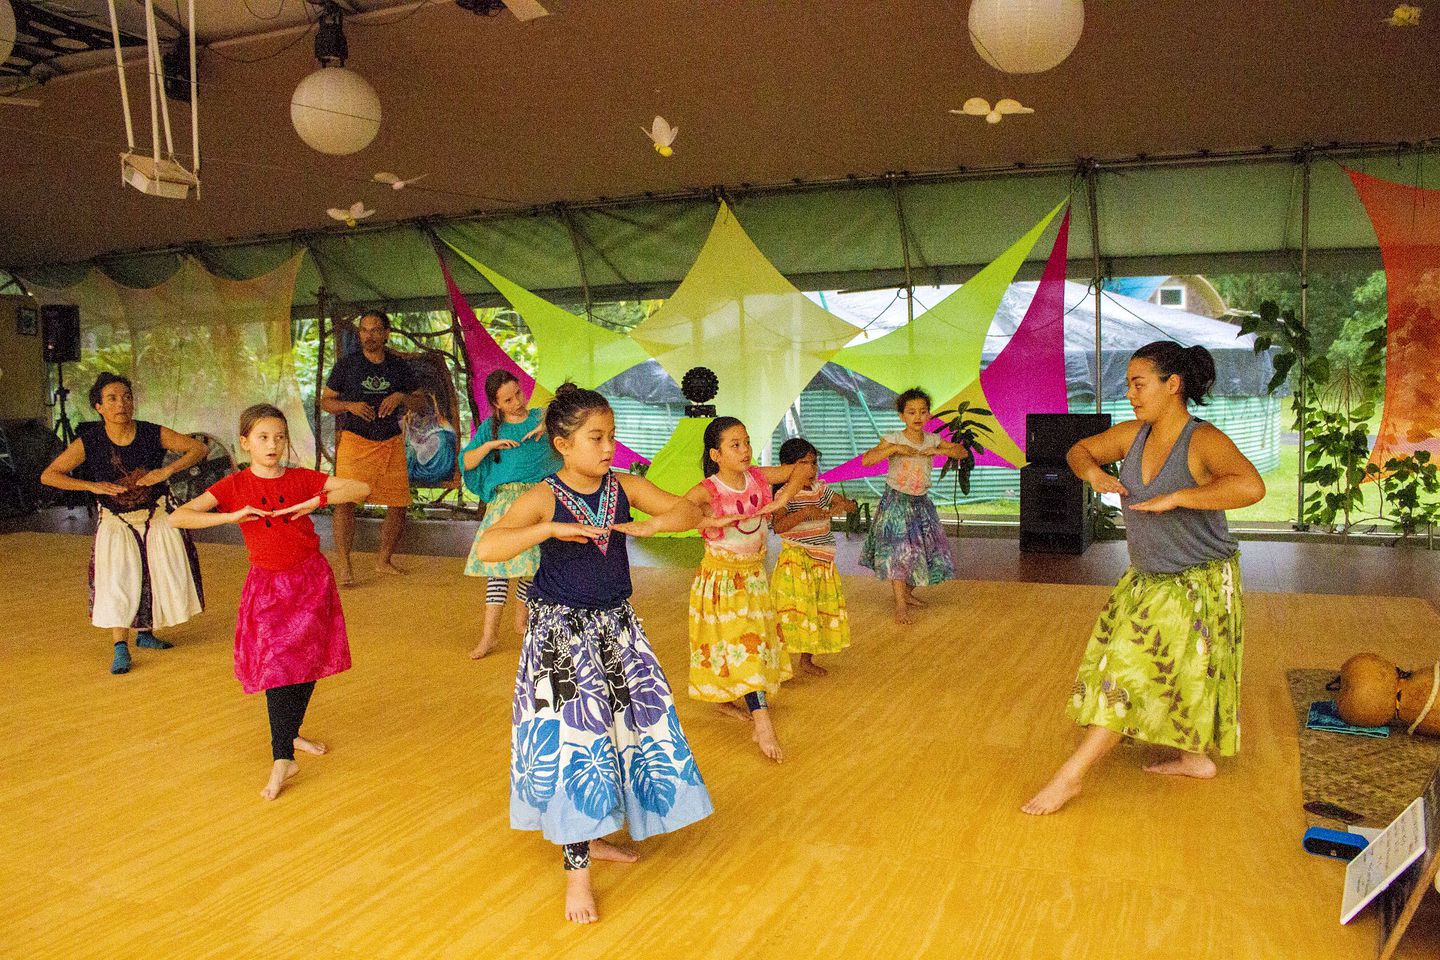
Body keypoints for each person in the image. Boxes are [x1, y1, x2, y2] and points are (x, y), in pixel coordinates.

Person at [471, 383, 714, 925]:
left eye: (611, 436)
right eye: (595, 437)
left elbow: (691, 511)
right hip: (561, 640)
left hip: (617, 631)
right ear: (563, 443)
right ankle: (576, 877)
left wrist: (655, 523)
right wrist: (550, 528)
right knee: (576, 746)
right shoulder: (544, 495)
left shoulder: (623, 485)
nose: (608, 447)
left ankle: (596, 831)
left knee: (621, 735)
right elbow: (489, 547)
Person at [1022, 342, 1265, 815]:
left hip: (1198, 581)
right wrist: (1093, 473)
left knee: (1129, 670)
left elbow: (1250, 486)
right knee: (1166, 670)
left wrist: (1180, 497)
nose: (1131, 393)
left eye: (1139, 384)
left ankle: (1070, 778)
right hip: (1148, 577)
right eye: (1129, 384)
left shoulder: (1202, 440)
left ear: (1173, 385)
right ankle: (1195, 758)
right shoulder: (1133, 434)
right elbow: (1079, 449)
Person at [169, 404, 370, 801]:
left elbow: (361, 488)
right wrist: (231, 518)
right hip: (267, 586)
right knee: (276, 665)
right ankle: (282, 757)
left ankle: (290, 734)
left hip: (310, 581)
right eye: (263, 437)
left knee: (308, 660)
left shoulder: (300, 479)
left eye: (279, 437)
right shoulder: (234, 485)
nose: (272, 445)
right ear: (245, 443)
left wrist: (318, 502)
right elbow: (179, 517)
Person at [40, 372, 208, 674]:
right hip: (116, 519)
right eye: (113, 398)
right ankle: (120, 645)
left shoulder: (151, 432)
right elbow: (50, 475)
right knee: (117, 578)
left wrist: (166, 471)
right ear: (98, 407)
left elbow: (199, 448)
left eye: (127, 397)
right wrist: (92, 486)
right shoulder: (89, 442)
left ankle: (146, 634)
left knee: (155, 572)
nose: (122, 404)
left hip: (154, 513)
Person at [683, 416, 813, 763]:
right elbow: (677, 514)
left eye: (747, 442)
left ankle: (731, 700)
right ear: (716, 455)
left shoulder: (757, 477)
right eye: (734, 445)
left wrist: (781, 499)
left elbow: (800, 470)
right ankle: (763, 723)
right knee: (744, 646)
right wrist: (710, 521)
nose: (745, 450)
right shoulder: (706, 491)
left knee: (743, 646)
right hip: (722, 582)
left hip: (754, 578)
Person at [319, 309, 424, 585]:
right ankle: (344, 565)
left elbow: (420, 402)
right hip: (354, 441)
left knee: (399, 503)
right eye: (364, 330)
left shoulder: (398, 366)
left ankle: (383, 561)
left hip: (389, 440)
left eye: (376, 330)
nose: (369, 335)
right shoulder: (347, 365)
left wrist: (400, 396)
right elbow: (326, 401)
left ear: (387, 333)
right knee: (343, 503)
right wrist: (349, 405)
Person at [460, 370, 558, 660]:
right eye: (508, 399)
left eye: (518, 393)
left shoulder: (541, 417)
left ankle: (522, 618)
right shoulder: (491, 427)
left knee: (533, 563)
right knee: (498, 570)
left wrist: (544, 422)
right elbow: (466, 461)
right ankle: (489, 635)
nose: (516, 401)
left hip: (538, 498)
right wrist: (490, 445)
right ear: (496, 403)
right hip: (505, 502)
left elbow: (572, 409)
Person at [859, 387, 968, 624]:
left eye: (922, 411)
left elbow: (962, 452)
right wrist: (896, 449)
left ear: (929, 415)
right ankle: (900, 605)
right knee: (899, 553)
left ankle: (907, 593)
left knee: (924, 552)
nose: (917, 416)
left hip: (921, 503)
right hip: (896, 501)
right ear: (902, 416)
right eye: (911, 412)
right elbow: (867, 460)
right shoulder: (893, 439)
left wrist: (938, 450)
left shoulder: (932, 439)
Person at [769, 438, 857, 677]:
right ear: (787, 467)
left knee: (815, 611)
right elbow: (778, 526)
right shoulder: (783, 494)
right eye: (803, 463)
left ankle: (806, 660)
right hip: (796, 560)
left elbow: (848, 505)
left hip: (822, 561)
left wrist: (845, 505)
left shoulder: (820, 489)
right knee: (790, 614)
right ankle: (779, 665)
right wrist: (806, 513)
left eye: (814, 463)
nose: (811, 468)